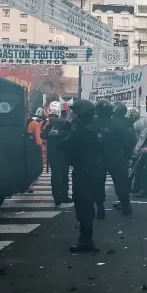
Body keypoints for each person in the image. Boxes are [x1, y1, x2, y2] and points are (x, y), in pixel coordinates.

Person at [62, 99, 104, 252]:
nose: (72, 114)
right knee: (88, 205)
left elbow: (65, 148)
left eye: (75, 112)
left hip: (82, 172)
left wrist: (63, 132)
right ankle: (87, 238)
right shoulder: (98, 130)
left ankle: (85, 240)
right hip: (95, 171)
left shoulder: (78, 132)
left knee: (82, 206)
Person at [41, 102, 72, 206]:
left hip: (55, 155)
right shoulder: (65, 125)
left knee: (57, 176)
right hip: (63, 154)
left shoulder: (49, 125)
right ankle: (63, 196)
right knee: (63, 176)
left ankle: (57, 197)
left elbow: (42, 136)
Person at [28, 108, 46, 175]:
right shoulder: (34, 123)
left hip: (39, 143)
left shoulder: (36, 123)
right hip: (36, 143)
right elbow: (30, 134)